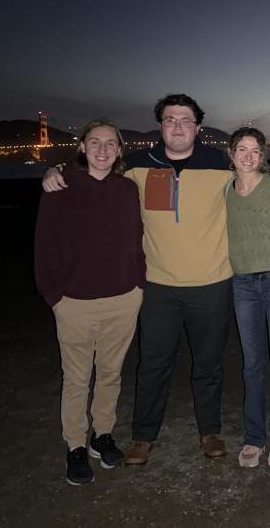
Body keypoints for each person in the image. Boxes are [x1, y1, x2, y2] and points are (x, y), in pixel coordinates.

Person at [42, 94, 233, 462]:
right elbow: (94, 164)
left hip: (211, 283)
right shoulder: (135, 166)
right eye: (170, 119)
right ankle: (144, 436)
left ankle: (210, 432)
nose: (177, 126)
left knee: (208, 364)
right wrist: (56, 170)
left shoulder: (221, 164)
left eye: (185, 120)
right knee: (153, 364)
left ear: (198, 127)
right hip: (157, 285)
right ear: (160, 125)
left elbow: (264, 176)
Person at [34, 119, 145, 485]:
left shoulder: (128, 189)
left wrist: (138, 284)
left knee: (111, 373)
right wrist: (55, 297)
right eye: (94, 143)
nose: (102, 150)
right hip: (74, 302)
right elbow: (44, 247)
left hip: (123, 298)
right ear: (82, 147)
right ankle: (75, 446)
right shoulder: (60, 187)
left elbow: (137, 239)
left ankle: (103, 435)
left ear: (119, 150)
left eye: (110, 143)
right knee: (77, 377)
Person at [225, 127, 270, 469]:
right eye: (242, 149)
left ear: (264, 155)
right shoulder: (225, 188)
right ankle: (254, 436)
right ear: (231, 153)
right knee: (252, 364)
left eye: (256, 150)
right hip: (242, 284)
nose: (249, 156)